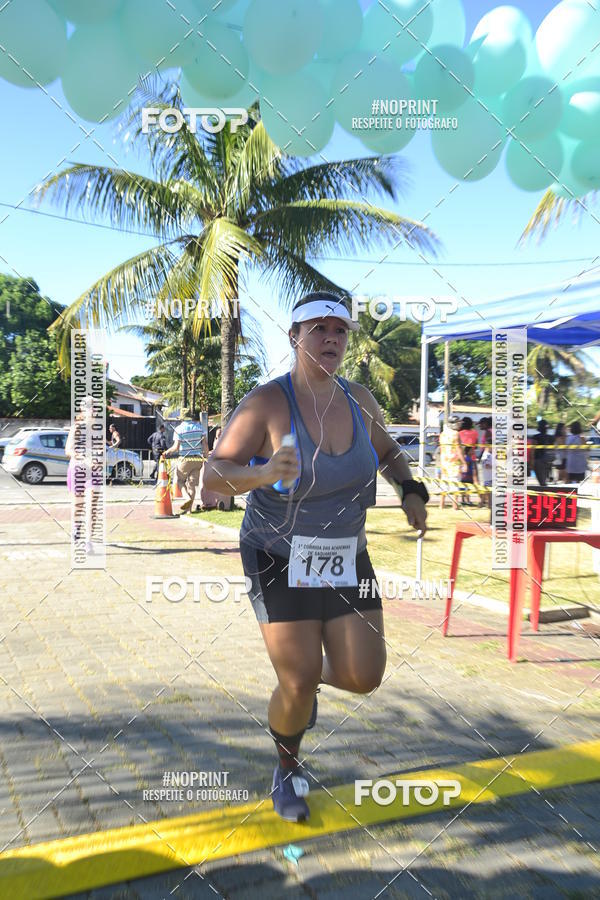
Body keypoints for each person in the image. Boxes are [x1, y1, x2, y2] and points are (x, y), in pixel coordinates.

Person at [203, 291, 428, 823]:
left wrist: (410, 487)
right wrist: (262, 474)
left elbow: (390, 451)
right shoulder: (265, 404)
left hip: (347, 554)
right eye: (318, 328)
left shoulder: (360, 400)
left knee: (364, 675)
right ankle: (287, 766)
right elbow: (214, 475)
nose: (331, 338)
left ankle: (300, 687)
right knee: (299, 677)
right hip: (276, 552)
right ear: (295, 336)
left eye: (340, 330)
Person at [163, 409, 209, 513]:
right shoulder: (200, 428)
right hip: (197, 459)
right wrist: (206, 457)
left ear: (182, 418)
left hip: (184, 459)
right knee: (192, 484)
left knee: (180, 481)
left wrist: (167, 452)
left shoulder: (179, 429)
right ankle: (189, 511)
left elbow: (176, 447)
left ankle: (186, 497)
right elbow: (205, 444)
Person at [439, 414, 466, 510]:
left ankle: (441, 505)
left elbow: (441, 449)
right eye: (458, 423)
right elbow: (458, 449)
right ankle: (455, 506)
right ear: (454, 424)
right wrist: (464, 462)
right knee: (455, 483)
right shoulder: (456, 434)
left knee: (444, 483)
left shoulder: (442, 434)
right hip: (454, 462)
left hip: (444, 461)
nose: (459, 425)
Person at [533, 419, 551, 487]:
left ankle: (544, 494)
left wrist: (532, 461)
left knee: (542, 481)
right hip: (547, 460)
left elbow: (533, 449)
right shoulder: (550, 437)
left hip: (538, 460)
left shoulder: (536, 437)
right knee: (544, 480)